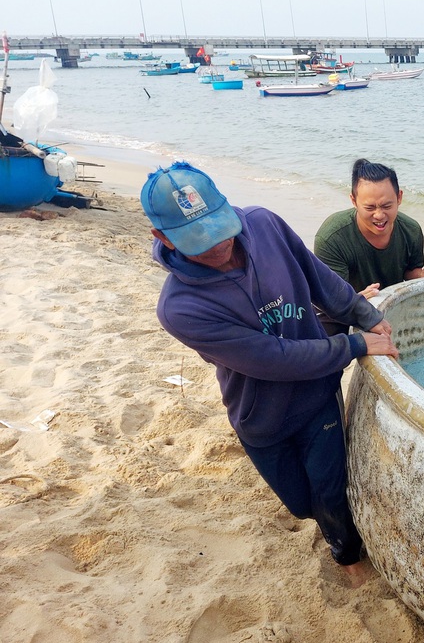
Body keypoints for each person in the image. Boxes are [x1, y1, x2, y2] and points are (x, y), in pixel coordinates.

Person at [141, 161, 398, 588]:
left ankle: (347, 553)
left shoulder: (264, 224)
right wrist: (353, 345)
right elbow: (273, 357)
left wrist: (364, 315)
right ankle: (329, 526)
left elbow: (320, 279)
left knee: (330, 490)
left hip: (317, 397)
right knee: (301, 503)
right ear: (162, 237)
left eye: (219, 228)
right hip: (262, 416)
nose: (218, 246)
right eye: (198, 241)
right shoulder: (180, 309)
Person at [314, 159, 424, 331]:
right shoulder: (332, 237)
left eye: (386, 206)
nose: (379, 215)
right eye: (369, 208)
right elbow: (329, 299)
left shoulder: (411, 230)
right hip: (337, 312)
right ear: (353, 201)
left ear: (399, 198)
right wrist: (356, 300)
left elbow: (409, 271)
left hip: (389, 306)